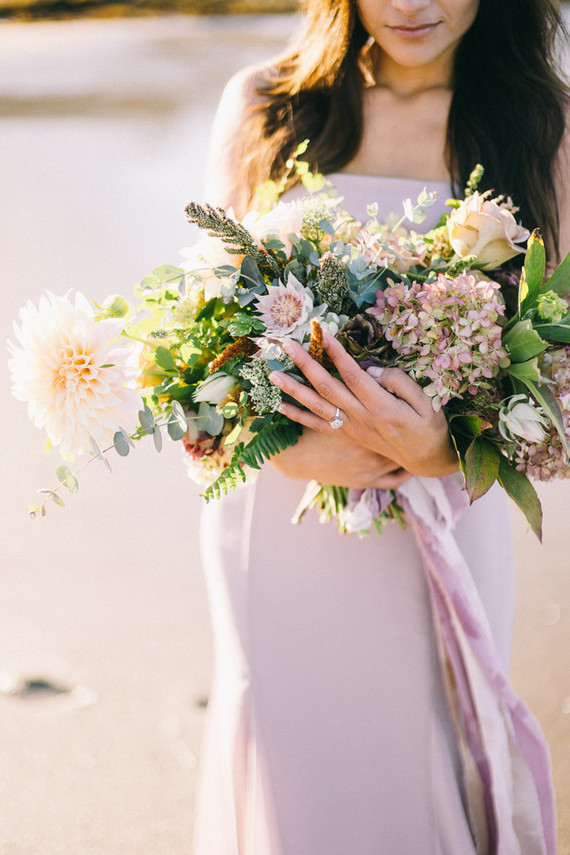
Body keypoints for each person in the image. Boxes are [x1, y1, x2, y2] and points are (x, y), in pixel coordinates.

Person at [196, 2, 570, 853]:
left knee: (421, 753)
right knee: (291, 768)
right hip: (274, 520)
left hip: (443, 513)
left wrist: (440, 448)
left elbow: (563, 369)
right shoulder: (265, 104)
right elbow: (199, 342)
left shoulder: (540, 126)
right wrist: (289, 448)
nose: (414, 5)